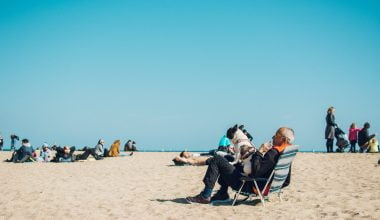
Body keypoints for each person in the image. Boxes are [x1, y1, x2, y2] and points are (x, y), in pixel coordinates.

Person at [186, 127, 295, 204]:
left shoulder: (273, 154)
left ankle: (205, 196)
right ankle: (222, 193)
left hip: (250, 185)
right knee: (227, 159)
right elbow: (287, 181)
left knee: (216, 160)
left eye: (276, 135)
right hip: (265, 185)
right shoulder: (286, 152)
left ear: (283, 139)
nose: (273, 137)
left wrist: (260, 152)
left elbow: (255, 172)